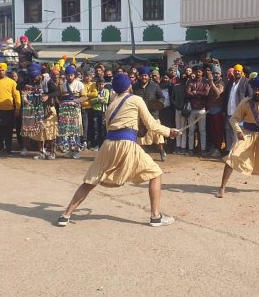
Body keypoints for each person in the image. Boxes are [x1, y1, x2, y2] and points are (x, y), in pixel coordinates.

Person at [57, 74, 180, 227]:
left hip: (108, 144)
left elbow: (110, 127)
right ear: (129, 86)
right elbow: (152, 125)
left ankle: (65, 215)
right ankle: (156, 217)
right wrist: (170, 131)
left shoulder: (112, 105)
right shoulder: (136, 99)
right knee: (156, 174)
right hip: (126, 144)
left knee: (90, 181)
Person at [134, 67, 167, 161]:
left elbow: (162, 98)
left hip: (153, 115)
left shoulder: (155, 86)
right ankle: (144, 155)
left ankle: (161, 151)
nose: (144, 77)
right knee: (141, 137)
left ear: (149, 76)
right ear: (139, 76)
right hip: (140, 116)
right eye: (142, 75)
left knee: (158, 136)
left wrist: (156, 104)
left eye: (145, 75)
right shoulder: (135, 86)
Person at [57, 65, 86, 159]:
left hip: (75, 110)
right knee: (67, 129)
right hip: (65, 111)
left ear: (74, 75)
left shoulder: (80, 84)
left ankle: (77, 149)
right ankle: (69, 149)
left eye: (71, 75)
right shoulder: (63, 85)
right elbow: (60, 97)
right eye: (67, 75)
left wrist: (74, 101)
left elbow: (84, 96)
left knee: (76, 129)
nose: (69, 77)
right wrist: (61, 103)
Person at [224, 64, 252, 152]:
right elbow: (226, 97)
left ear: (241, 72)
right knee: (229, 132)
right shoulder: (230, 82)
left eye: (238, 71)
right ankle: (229, 151)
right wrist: (224, 110)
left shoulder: (246, 81)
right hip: (229, 112)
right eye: (235, 71)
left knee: (239, 132)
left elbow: (250, 96)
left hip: (240, 113)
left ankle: (238, 151)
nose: (237, 72)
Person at [186, 66, 210, 155]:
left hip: (202, 109)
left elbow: (206, 93)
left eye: (200, 72)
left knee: (202, 130)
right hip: (192, 109)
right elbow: (187, 92)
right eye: (197, 72)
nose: (198, 73)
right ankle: (191, 149)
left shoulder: (206, 81)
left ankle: (203, 149)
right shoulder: (191, 81)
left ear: (202, 72)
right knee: (191, 130)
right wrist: (199, 93)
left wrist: (196, 92)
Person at [205, 63, 225, 157]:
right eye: (214, 73)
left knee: (218, 131)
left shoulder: (221, 83)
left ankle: (218, 149)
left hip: (218, 110)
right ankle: (214, 148)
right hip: (210, 110)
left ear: (220, 74)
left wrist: (212, 83)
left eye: (217, 73)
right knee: (212, 131)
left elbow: (218, 93)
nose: (215, 75)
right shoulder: (209, 82)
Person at [88, 76, 110, 150]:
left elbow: (106, 101)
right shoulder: (95, 92)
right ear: (97, 84)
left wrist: (96, 100)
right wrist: (99, 99)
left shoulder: (106, 91)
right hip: (95, 111)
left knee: (103, 128)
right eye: (99, 84)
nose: (101, 86)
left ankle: (103, 144)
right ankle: (96, 144)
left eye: (102, 84)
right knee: (96, 128)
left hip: (103, 112)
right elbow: (91, 101)